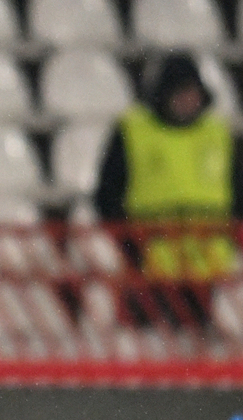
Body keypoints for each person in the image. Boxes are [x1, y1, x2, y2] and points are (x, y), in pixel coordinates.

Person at [94, 51, 243, 327]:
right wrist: (130, 245)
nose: (189, 100)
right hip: (150, 261)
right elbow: (107, 195)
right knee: (147, 346)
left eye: (193, 92)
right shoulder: (133, 130)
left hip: (207, 265)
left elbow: (238, 192)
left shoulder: (220, 134)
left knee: (200, 353)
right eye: (182, 92)